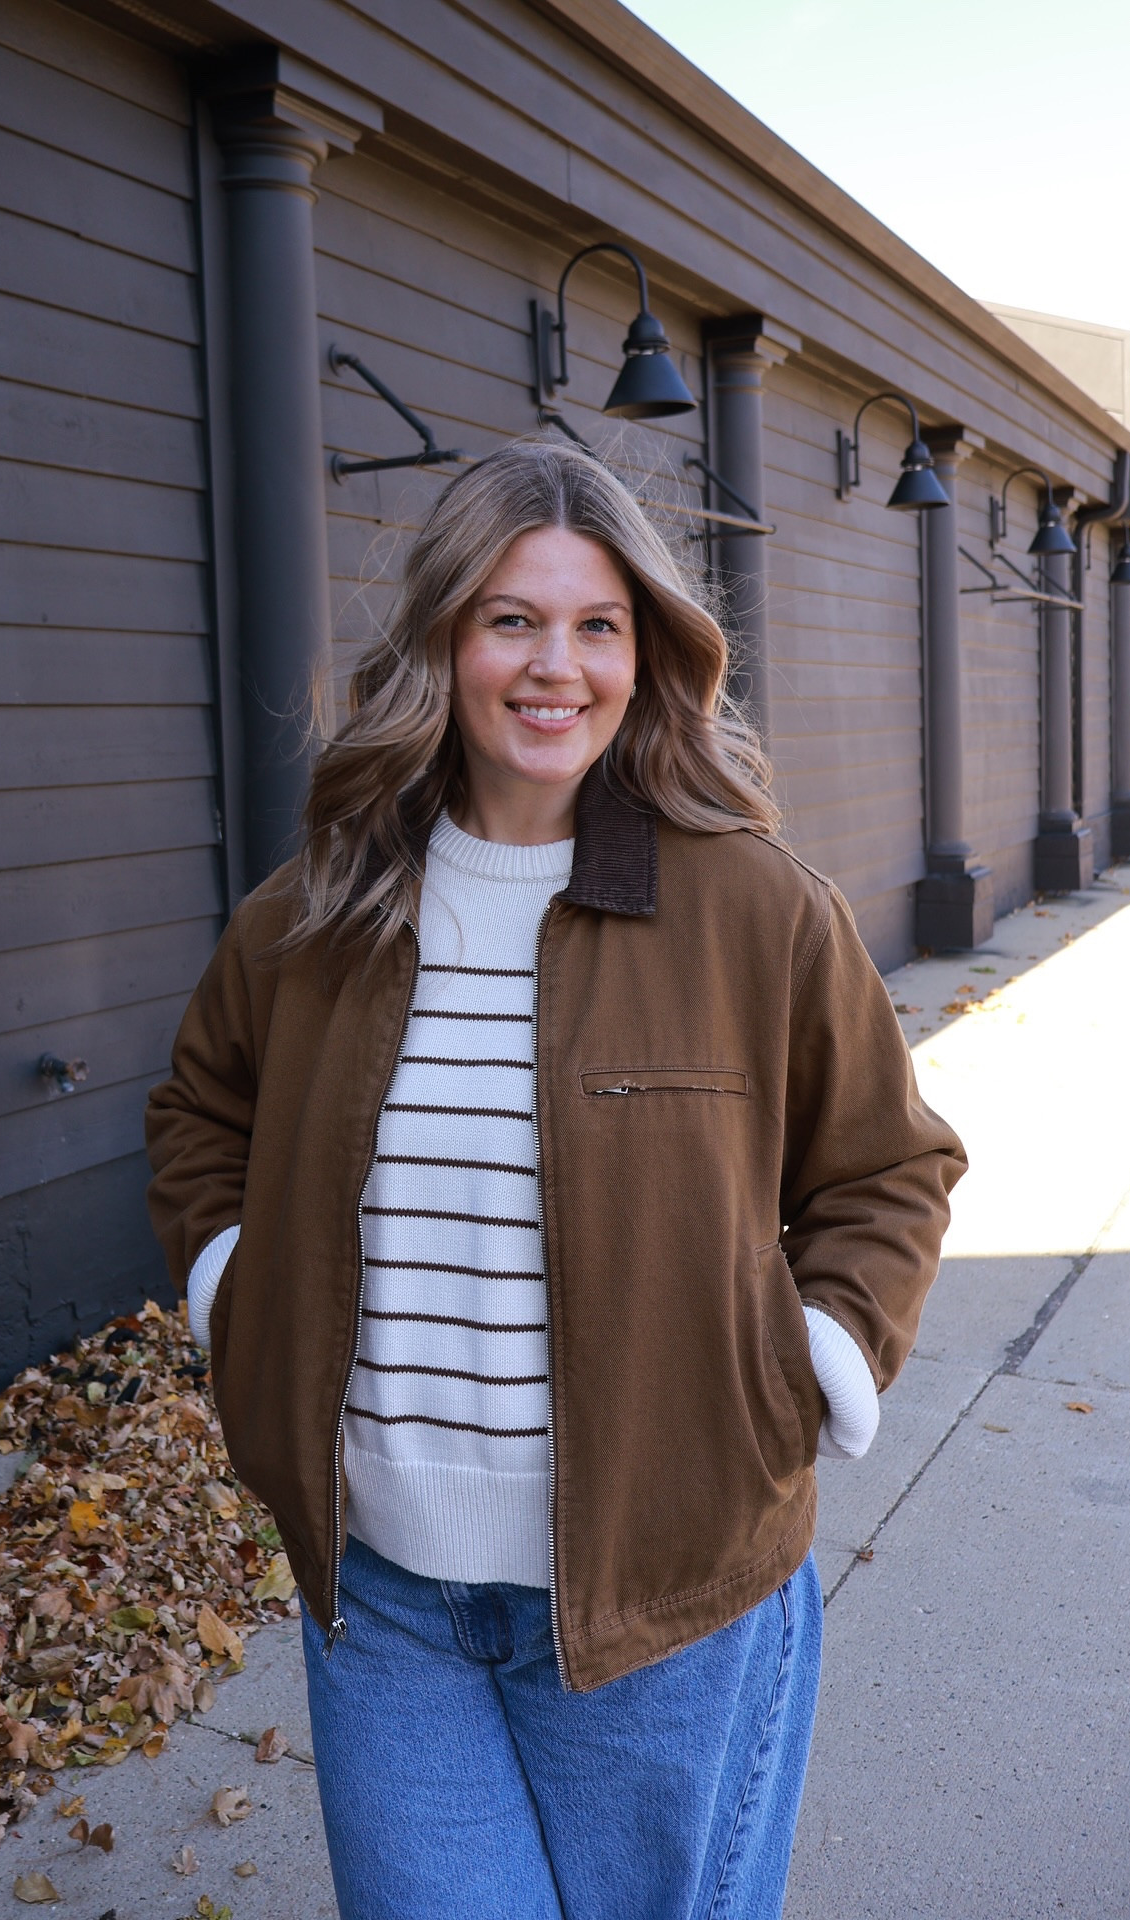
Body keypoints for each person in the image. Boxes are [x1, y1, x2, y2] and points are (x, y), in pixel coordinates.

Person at [145, 440, 965, 1919]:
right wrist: (233, 1295)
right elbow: (201, 1114)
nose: (555, 666)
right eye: (511, 618)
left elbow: (890, 1171)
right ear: (446, 639)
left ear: (645, 656)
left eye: (598, 626)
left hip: (668, 1593)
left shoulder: (753, 907)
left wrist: (807, 1363)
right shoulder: (323, 908)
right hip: (383, 1595)